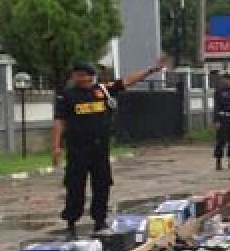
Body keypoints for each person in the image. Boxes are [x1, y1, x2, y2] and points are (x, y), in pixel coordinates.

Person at [52, 56, 169, 238]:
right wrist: (57, 146)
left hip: (99, 150)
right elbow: (59, 121)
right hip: (77, 150)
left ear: (91, 76)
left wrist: (151, 70)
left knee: (102, 185)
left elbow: (128, 81)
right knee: (75, 187)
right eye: (77, 75)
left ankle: (100, 221)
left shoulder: (103, 90)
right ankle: (71, 221)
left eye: (83, 75)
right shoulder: (66, 96)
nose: (80, 78)